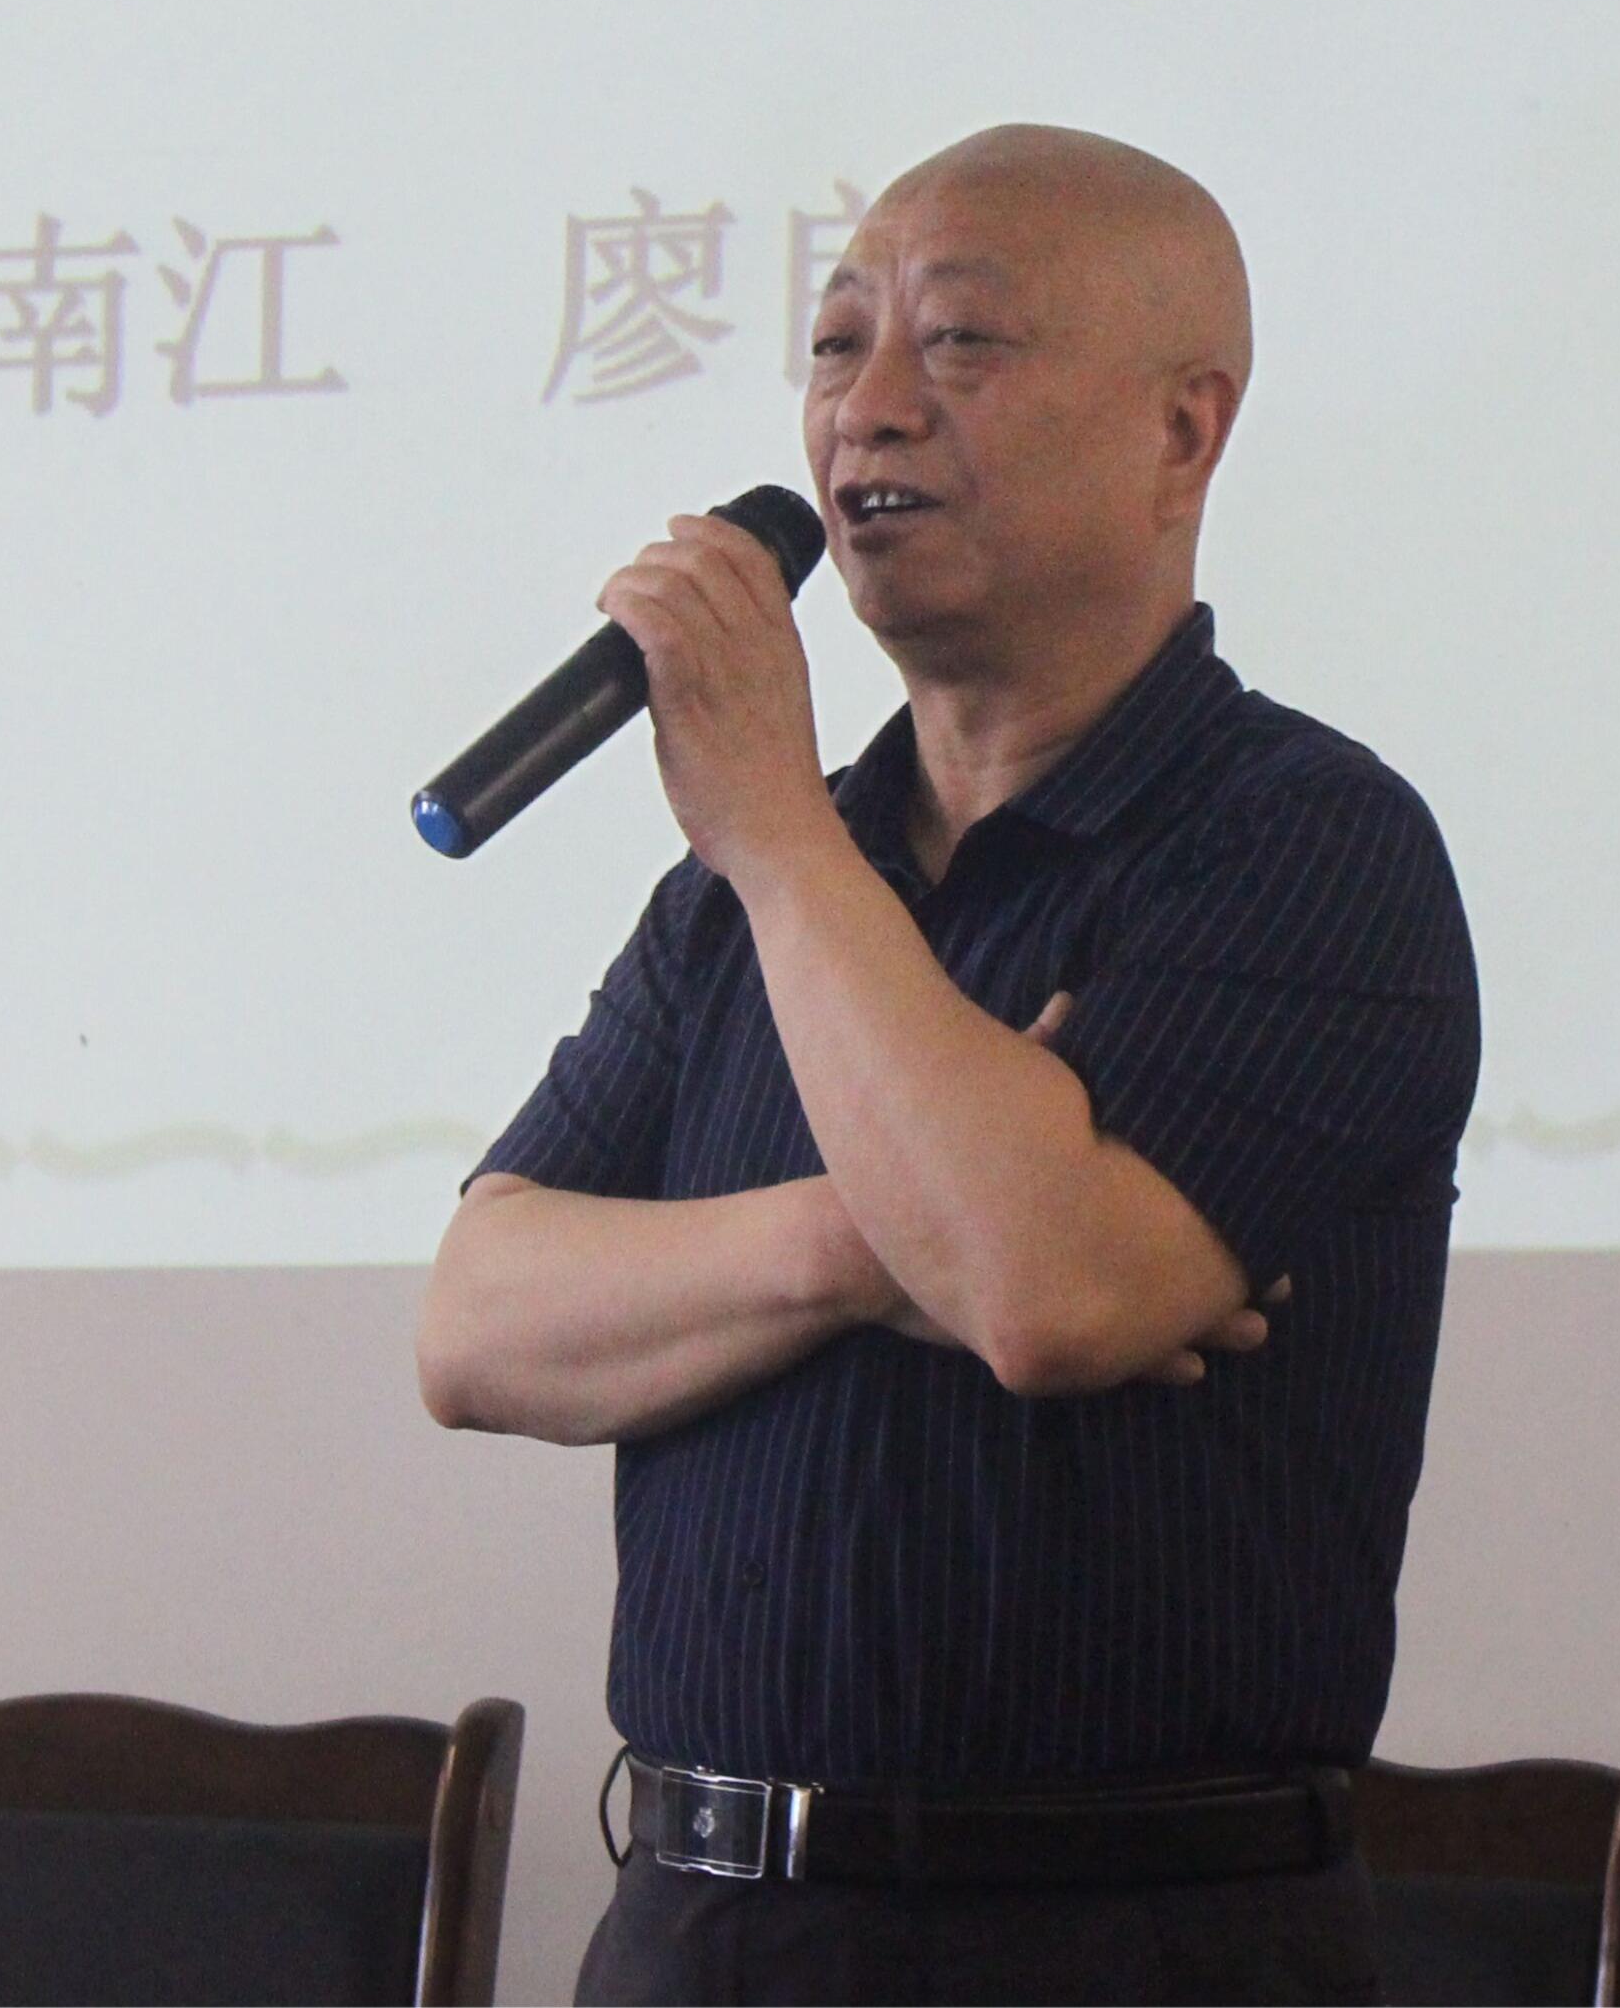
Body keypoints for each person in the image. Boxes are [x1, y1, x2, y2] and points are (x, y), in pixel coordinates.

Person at [416, 124, 1481, 2006]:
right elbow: (480, 1324)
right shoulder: (741, 901)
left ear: (1182, 433)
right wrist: (861, 1244)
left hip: (1124, 1944)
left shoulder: (1303, 842)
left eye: (960, 343)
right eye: (838, 346)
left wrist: (769, 828)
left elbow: (1041, 1293)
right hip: (703, 1926)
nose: (869, 410)